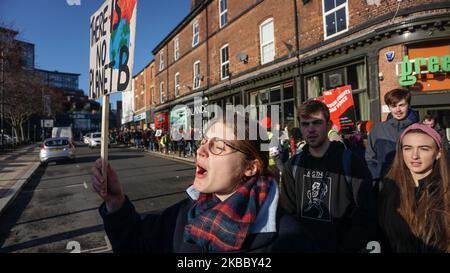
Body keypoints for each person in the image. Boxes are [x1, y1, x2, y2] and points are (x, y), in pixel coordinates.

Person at [91, 114, 316, 253]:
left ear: (250, 167)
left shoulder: (290, 238)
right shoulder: (182, 214)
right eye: (204, 141)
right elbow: (136, 246)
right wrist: (115, 202)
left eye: (217, 146)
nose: (200, 150)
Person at [280, 100, 376, 252]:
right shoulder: (293, 165)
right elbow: (287, 213)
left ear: (329, 125)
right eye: (305, 124)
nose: (311, 129)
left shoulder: (350, 162)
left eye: (317, 123)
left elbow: (366, 212)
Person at [377, 123, 450, 253]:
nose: (414, 156)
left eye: (424, 148)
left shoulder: (446, 193)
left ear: (438, 153)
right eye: (408, 148)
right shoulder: (388, 190)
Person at [365, 89, 417, 182]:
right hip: (384, 183)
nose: (398, 110)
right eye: (393, 106)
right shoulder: (378, 129)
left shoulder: (418, 129)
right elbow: (370, 158)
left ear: (408, 105)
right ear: (389, 107)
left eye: (401, 105)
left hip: (410, 182)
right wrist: (376, 178)